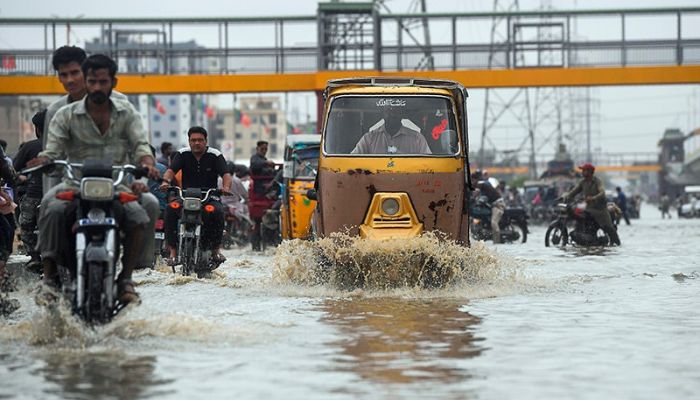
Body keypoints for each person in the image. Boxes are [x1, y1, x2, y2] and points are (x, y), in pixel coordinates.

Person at [29, 54, 160, 305]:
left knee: (146, 209)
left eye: (103, 82)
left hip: (118, 184)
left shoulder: (127, 112)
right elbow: (52, 148)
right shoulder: (64, 114)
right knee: (49, 205)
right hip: (74, 183)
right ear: (86, 83)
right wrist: (45, 159)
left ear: (113, 82)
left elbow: (141, 145)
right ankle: (48, 279)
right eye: (92, 82)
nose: (97, 87)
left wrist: (147, 163)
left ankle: (126, 278)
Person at [42, 46, 129, 193]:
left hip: (116, 186)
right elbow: (51, 161)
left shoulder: (121, 103)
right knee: (49, 209)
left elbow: (136, 148)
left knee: (146, 207)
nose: (70, 80)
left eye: (75, 73)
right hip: (73, 187)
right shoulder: (54, 112)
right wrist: (49, 196)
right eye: (64, 74)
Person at [159, 126, 232, 266]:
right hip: (186, 195)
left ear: (205, 141)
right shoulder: (182, 154)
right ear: (189, 141)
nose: (196, 143)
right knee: (170, 210)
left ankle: (216, 250)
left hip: (209, 196)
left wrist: (226, 187)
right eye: (193, 140)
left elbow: (226, 174)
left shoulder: (215, 155)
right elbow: (170, 171)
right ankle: (173, 252)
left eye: (200, 140)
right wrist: (165, 182)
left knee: (218, 212)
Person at [12, 110, 46, 273]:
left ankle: (34, 257)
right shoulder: (68, 145)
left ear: (37, 129)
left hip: (35, 194)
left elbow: (14, 168)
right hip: (62, 193)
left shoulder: (30, 146)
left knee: (25, 224)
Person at [561, 163, 620, 245]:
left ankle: (617, 242)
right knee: (578, 215)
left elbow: (602, 192)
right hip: (589, 208)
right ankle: (581, 232)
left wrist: (593, 198)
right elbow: (574, 191)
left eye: (584, 170)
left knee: (609, 227)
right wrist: (566, 196)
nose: (582, 172)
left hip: (600, 210)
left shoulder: (597, 181)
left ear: (590, 172)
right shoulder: (582, 182)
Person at [351, 104, 431, 155]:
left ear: (402, 113)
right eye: (388, 111)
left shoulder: (417, 139)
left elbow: (429, 164)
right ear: (382, 113)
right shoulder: (369, 139)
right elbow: (352, 161)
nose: (392, 114)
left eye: (396, 111)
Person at [472, 169, 505, 243]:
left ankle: (497, 242)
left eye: (472, 180)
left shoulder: (481, 183)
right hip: (492, 205)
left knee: (493, 222)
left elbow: (476, 193)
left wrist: (471, 198)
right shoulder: (483, 182)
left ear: (475, 179)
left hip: (498, 204)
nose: (472, 182)